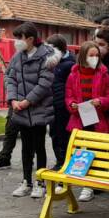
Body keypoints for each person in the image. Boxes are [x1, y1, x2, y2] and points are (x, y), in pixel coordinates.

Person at [5, 22, 55, 199]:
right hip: (20, 110)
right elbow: (10, 77)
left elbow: (44, 83)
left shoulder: (46, 57)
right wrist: (13, 100)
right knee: (25, 147)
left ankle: (40, 182)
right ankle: (26, 181)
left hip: (38, 110)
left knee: (39, 146)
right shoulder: (17, 57)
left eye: (20, 38)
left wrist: (27, 101)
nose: (16, 41)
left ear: (31, 39)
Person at [65, 41, 109, 203]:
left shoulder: (103, 73)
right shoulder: (73, 74)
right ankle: (85, 184)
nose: (94, 58)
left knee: (97, 152)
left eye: (96, 55)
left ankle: (92, 185)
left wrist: (101, 101)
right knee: (82, 153)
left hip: (98, 118)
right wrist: (72, 105)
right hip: (80, 117)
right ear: (83, 56)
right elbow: (69, 95)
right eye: (91, 55)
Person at [44, 35, 75, 169]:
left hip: (63, 106)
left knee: (63, 135)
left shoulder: (69, 64)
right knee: (54, 134)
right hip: (52, 104)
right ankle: (60, 160)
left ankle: (64, 161)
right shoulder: (51, 62)